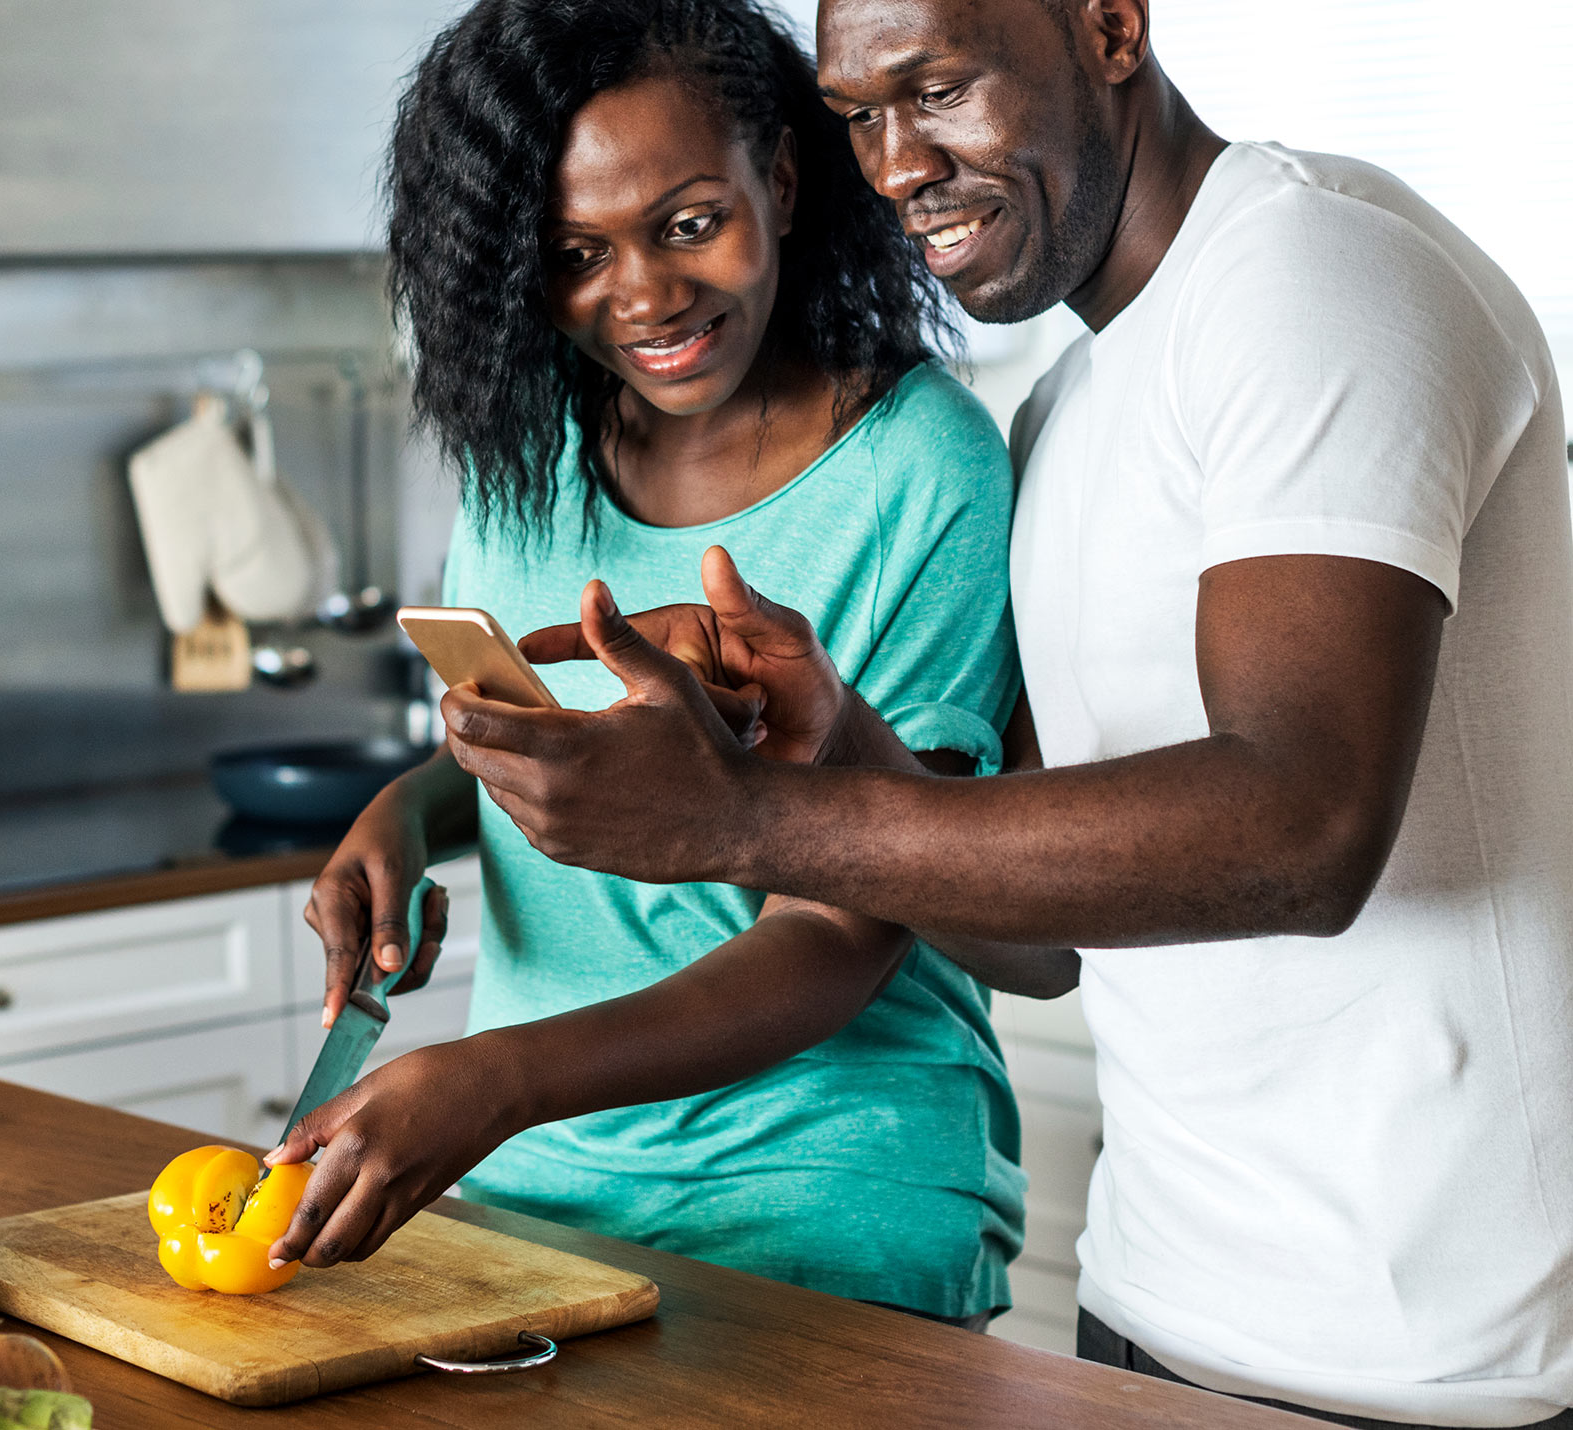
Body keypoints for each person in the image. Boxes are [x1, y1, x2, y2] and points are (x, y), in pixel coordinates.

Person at [411, 0, 1573, 1425]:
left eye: (938, 88)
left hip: (1440, 1348)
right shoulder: (1071, 402)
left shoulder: (1312, 275)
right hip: (1162, 1299)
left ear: (1106, 27)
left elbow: (1304, 823)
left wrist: (750, 816)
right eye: (859, 115)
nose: (893, 165)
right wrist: (836, 738)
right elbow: (1033, 945)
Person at [264, 0, 1056, 1326]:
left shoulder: (921, 469)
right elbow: (545, 741)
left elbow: (851, 913)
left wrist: (497, 1078)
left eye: (689, 223)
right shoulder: (526, 467)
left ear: (785, 182)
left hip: (816, 1203)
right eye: (577, 251)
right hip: (531, 1198)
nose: (643, 296)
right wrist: (403, 814)